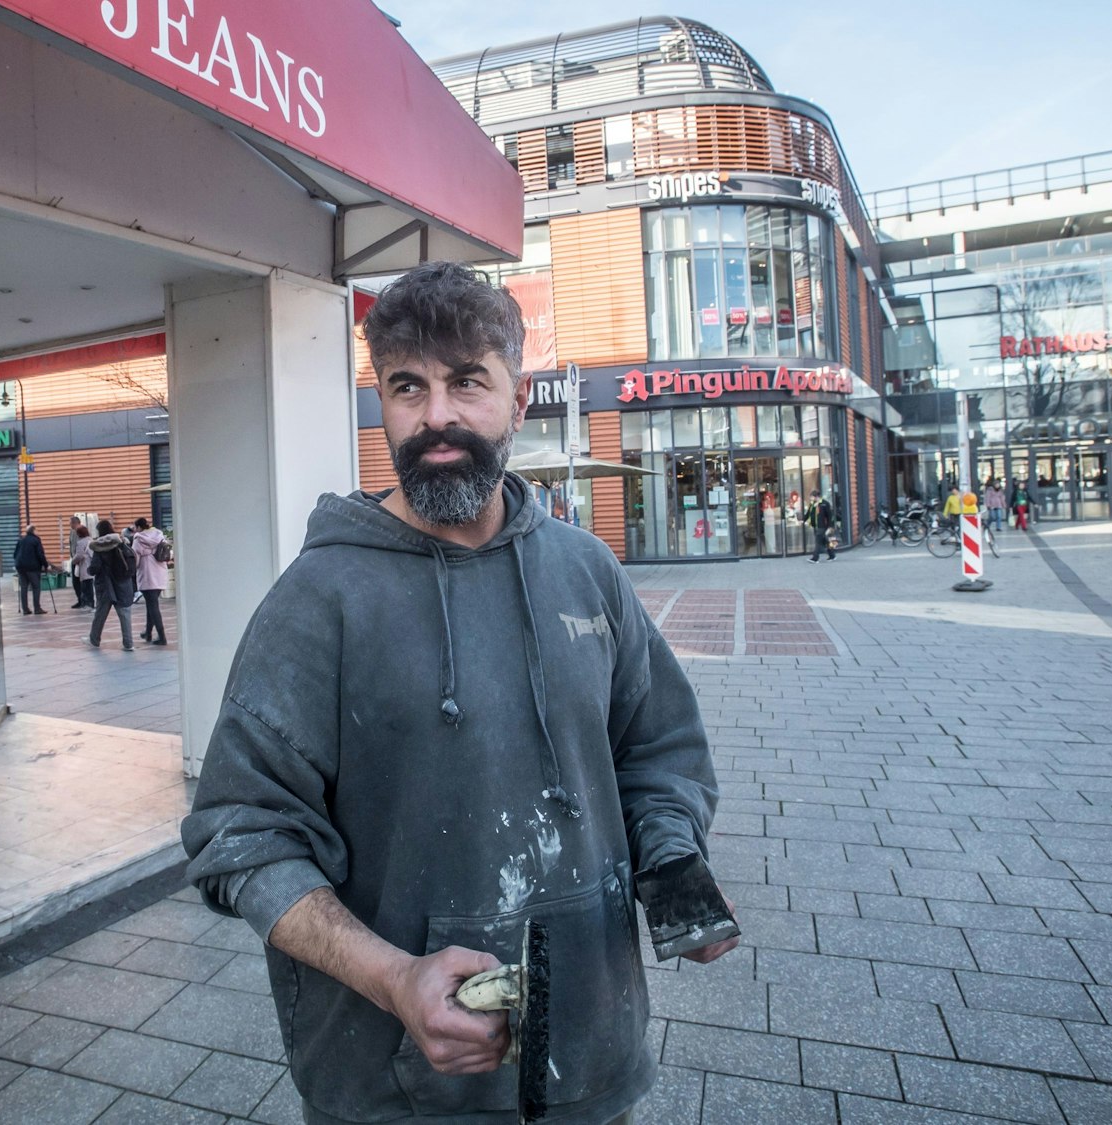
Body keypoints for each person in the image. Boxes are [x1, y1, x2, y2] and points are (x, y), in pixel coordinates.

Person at [181, 262, 733, 1125]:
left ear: (518, 402)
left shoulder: (586, 570)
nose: (437, 415)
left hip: (594, 1065)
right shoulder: (317, 600)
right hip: (396, 1090)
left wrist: (668, 858)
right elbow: (241, 835)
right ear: (385, 405)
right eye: (408, 386)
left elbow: (657, 747)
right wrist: (395, 978)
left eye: (468, 381)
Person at [86, 518, 137, 650]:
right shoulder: (122, 543)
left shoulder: (99, 547)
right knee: (125, 614)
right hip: (123, 583)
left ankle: (94, 639)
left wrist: (89, 570)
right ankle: (128, 643)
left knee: (100, 614)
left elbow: (95, 568)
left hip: (106, 585)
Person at [131, 516, 169, 645]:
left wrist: (131, 569)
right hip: (160, 573)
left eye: (135, 527)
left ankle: (162, 636)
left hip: (147, 574)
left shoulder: (138, 539)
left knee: (153, 606)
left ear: (140, 527)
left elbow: (135, 559)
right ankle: (148, 632)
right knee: (151, 604)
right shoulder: (159, 535)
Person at [13, 524, 47, 615]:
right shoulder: (36, 540)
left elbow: (15, 554)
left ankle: (25, 609)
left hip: (20, 567)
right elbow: (40, 554)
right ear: (34, 531)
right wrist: (45, 565)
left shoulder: (21, 540)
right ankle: (37, 608)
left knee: (24, 587)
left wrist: (17, 563)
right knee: (36, 587)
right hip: (32, 567)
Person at [69, 522, 95, 609]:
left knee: (85, 585)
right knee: (90, 585)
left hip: (84, 565)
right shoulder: (91, 540)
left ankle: (87, 603)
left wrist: (73, 561)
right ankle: (91, 602)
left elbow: (79, 555)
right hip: (92, 564)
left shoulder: (81, 542)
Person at [806, 489, 836, 563]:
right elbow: (808, 513)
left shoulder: (825, 504)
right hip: (815, 526)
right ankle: (832, 555)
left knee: (818, 542)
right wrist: (803, 519)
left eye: (812, 497)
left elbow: (829, 515)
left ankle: (815, 558)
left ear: (816, 497)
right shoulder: (812, 504)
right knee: (825, 541)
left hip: (822, 526)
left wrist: (830, 526)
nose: (811, 498)